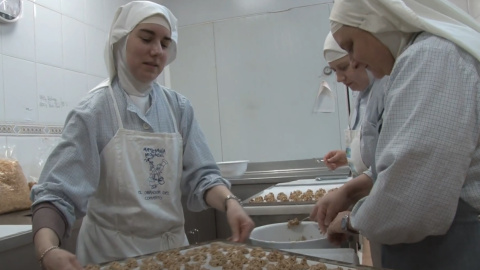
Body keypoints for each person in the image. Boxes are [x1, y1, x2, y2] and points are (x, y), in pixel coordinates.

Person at [30, 1, 254, 269]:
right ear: (121, 41)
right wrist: (48, 250)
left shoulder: (178, 109)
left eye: (165, 42)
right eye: (147, 38)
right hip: (111, 256)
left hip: (173, 254)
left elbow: (202, 177)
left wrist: (230, 203)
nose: (157, 50)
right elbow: (57, 195)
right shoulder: (93, 113)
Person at [321, 0, 480, 269]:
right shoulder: (415, 60)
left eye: (350, 46)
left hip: (454, 249)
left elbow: (414, 200)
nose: (355, 60)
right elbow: (407, 156)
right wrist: (352, 189)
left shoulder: (432, 57)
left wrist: (352, 220)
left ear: (378, 22)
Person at [314, 31, 386, 267]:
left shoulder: (387, 89)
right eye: (335, 70)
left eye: (344, 67)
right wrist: (348, 157)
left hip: (382, 207)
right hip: (369, 208)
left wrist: (348, 194)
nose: (340, 78)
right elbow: (372, 151)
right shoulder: (359, 99)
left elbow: (391, 164)